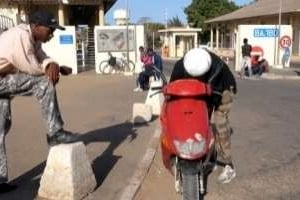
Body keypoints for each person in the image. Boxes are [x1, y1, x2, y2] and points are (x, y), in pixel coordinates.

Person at [0, 10, 78, 193]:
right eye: (50, 30)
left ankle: (0, 180)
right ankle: (55, 132)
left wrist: (53, 63)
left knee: (0, 129)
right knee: (44, 82)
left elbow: (41, 57)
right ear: (36, 26)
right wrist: (53, 69)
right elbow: (30, 67)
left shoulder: (32, 38)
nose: (52, 34)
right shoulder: (19, 36)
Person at [170, 48, 237, 184]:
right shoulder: (180, 66)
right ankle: (203, 156)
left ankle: (228, 165)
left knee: (220, 125)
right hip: (199, 91)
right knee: (194, 120)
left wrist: (206, 110)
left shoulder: (217, 68)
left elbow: (217, 96)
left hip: (222, 91)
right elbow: (172, 90)